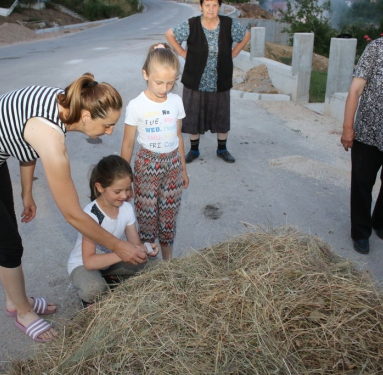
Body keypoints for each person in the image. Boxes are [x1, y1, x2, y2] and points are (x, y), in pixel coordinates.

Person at [0, 74, 148, 343]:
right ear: (85, 116)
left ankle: (15, 300)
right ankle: (22, 312)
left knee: (6, 232)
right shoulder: (51, 138)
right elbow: (73, 214)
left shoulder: (64, 101)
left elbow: (23, 138)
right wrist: (119, 247)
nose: (109, 132)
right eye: (107, 125)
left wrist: (27, 192)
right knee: (9, 244)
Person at [121, 43, 189, 261]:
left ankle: (168, 265)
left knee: (168, 219)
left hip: (173, 166)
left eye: (171, 82)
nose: (164, 88)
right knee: (147, 219)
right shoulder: (136, 105)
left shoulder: (176, 101)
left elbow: (178, 136)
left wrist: (183, 169)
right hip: (146, 166)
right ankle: (149, 266)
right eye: (159, 82)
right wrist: (124, 180)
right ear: (145, 74)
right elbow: (128, 144)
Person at [67, 155, 159, 307]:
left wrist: (146, 248)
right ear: (100, 187)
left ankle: (109, 279)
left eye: (128, 189)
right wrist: (121, 253)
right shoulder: (91, 215)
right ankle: (91, 299)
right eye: (118, 191)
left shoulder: (126, 208)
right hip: (83, 265)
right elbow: (89, 262)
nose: (124, 195)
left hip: (110, 262)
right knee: (93, 289)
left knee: (152, 265)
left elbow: (134, 244)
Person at [165, 0, 250, 164]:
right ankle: (194, 150)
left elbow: (246, 35)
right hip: (195, 79)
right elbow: (169, 34)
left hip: (220, 78)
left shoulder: (228, 24)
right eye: (207, 5)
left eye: (214, 5)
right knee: (193, 115)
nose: (211, 9)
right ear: (201, 7)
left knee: (222, 115)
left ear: (219, 6)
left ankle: (222, 149)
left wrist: (233, 54)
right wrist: (182, 52)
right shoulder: (192, 24)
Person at [340, 34, 383, 255]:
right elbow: (355, 90)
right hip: (369, 132)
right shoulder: (376, 49)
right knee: (362, 183)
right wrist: (348, 128)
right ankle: (361, 232)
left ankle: (382, 221)